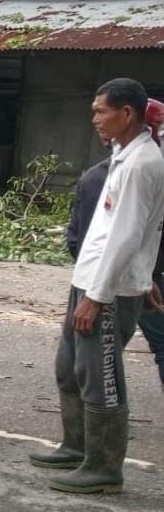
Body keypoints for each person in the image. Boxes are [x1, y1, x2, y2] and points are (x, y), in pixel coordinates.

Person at [30, 79, 164, 493]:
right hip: (90, 279)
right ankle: (77, 446)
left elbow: (128, 235)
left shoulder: (143, 163)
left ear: (127, 113)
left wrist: (97, 296)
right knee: (69, 366)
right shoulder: (123, 156)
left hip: (105, 291)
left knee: (100, 375)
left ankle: (104, 468)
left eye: (101, 111)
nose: (94, 119)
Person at [66, 108, 164, 393]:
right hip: (120, 282)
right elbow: (107, 237)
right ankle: (87, 436)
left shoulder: (131, 169)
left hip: (122, 280)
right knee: (97, 373)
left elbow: (79, 239)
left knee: (92, 368)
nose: (95, 120)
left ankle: (83, 436)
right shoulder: (120, 173)